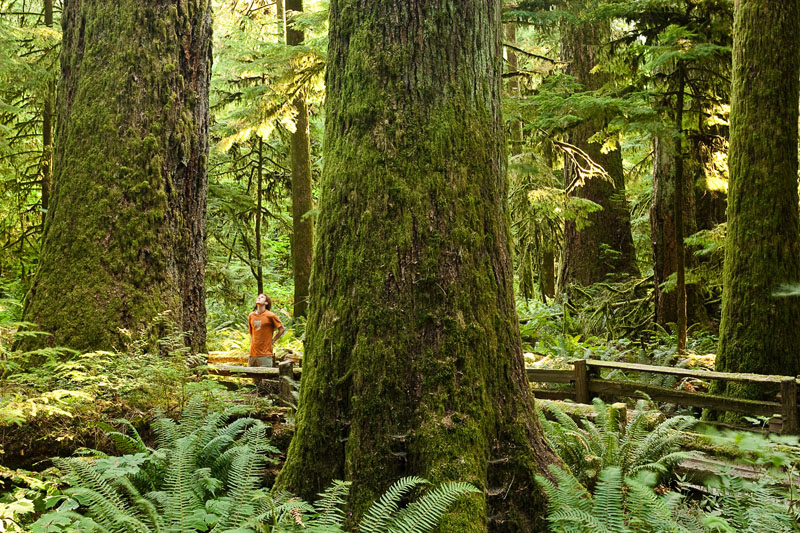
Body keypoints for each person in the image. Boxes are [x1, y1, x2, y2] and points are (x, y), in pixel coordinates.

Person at [248, 293, 285, 386]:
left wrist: (273, 340)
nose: (259, 298)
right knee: (254, 384)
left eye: (262, 297)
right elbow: (251, 332)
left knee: (266, 383)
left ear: (266, 303)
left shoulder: (271, 316)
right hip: (252, 353)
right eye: (258, 297)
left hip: (265, 353)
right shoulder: (251, 315)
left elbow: (281, 329)